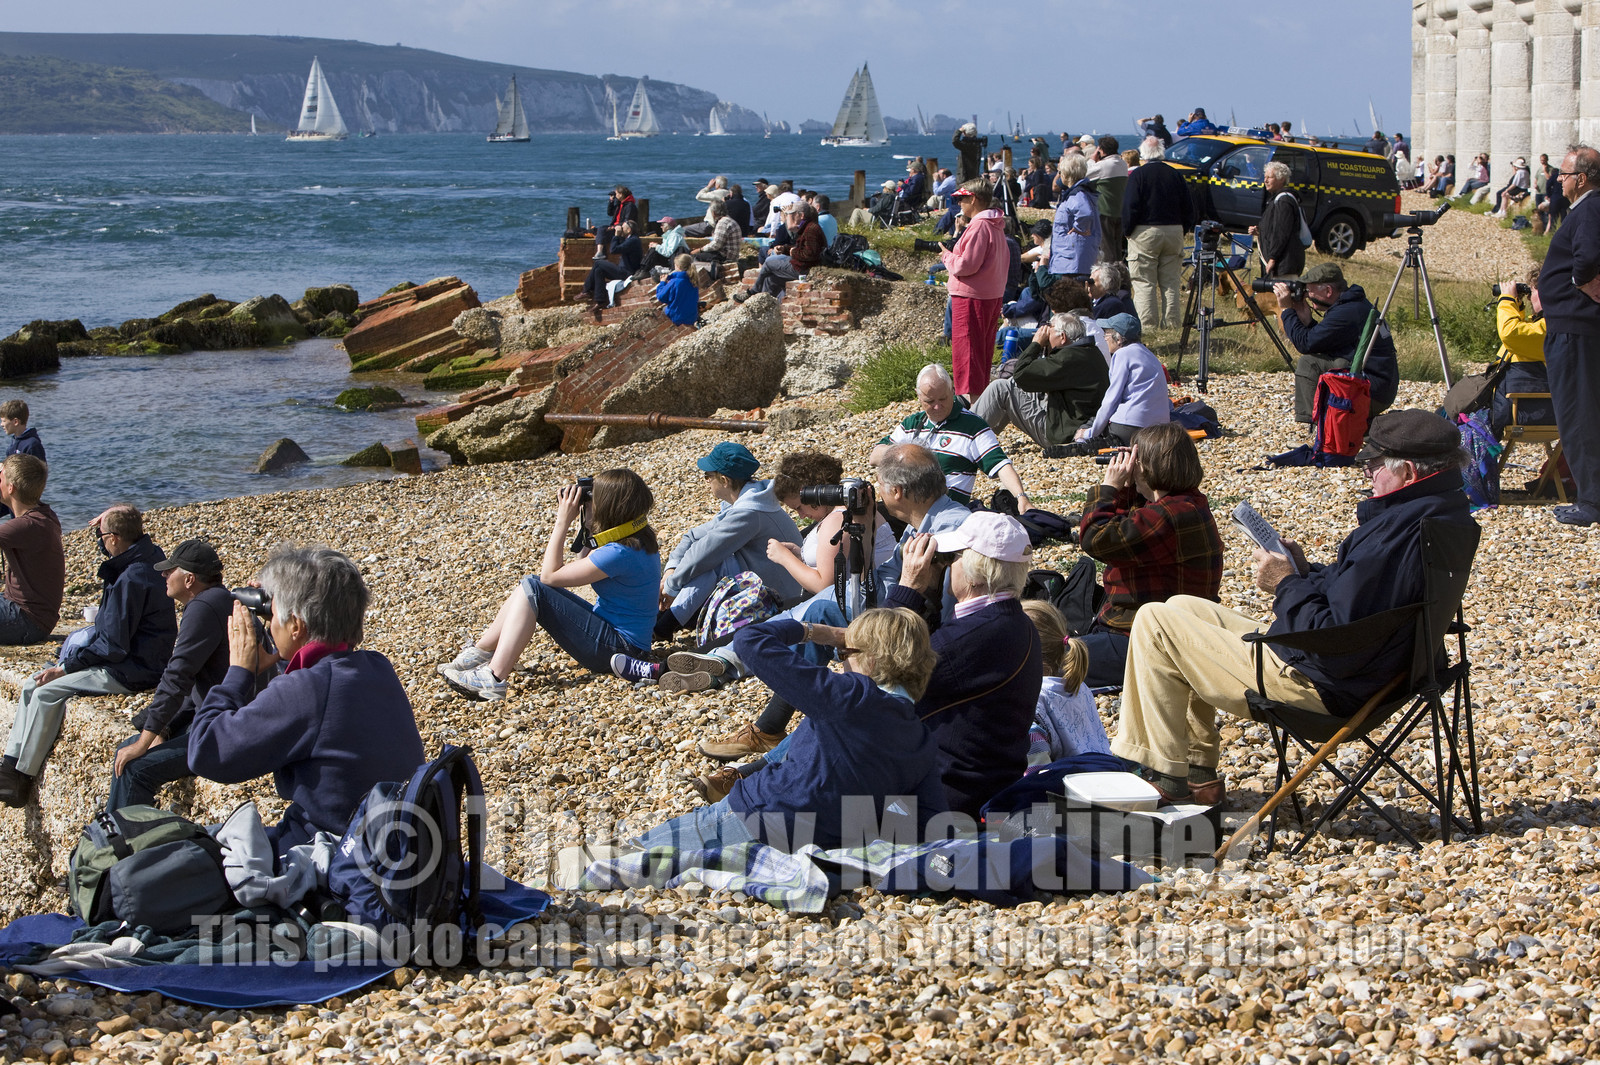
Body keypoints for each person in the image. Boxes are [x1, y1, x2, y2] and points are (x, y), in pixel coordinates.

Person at [1109, 409, 1477, 805]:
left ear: (1406, 471)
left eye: (1373, 465)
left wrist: (1284, 583)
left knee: (1154, 619)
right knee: (1183, 605)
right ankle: (1198, 772)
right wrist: (1304, 571)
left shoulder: (1391, 537)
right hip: (1374, 675)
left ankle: (1160, 774)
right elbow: (1360, 601)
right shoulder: (1438, 517)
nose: (1367, 473)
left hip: (1323, 685)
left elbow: (1332, 631)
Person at [690, 443, 969, 765]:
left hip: (925, 637)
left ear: (897, 491)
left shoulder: (947, 530)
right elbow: (878, 578)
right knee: (824, 609)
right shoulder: (923, 523)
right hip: (902, 609)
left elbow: (946, 614)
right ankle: (767, 723)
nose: (877, 492)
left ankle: (763, 758)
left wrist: (865, 634)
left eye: (880, 485)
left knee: (845, 687)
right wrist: (862, 522)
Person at [630, 608, 947, 851]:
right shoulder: (920, 740)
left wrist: (816, 631)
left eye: (845, 654)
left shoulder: (851, 695)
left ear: (873, 662)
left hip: (757, 814)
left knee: (634, 854)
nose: (839, 662)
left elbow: (749, 640)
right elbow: (932, 826)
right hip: (819, 845)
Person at [188, 546, 424, 856]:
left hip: (330, 859)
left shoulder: (306, 691)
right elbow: (316, 695)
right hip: (384, 850)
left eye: (273, 617)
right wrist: (281, 652)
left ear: (296, 626)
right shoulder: (375, 667)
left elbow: (206, 752)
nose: (269, 625)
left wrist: (238, 672)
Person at [632, 451, 896, 694]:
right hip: (846, 597)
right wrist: (799, 553)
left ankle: (693, 657)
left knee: (775, 629)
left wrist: (786, 559)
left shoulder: (837, 520)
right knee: (773, 629)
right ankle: (714, 666)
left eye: (799, 508)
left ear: (816, 495)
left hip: (844, 601)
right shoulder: (840, 515)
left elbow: (825, 585)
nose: (800, 515)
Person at [0, 505, 176, 808]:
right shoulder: (149, 554)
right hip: (129, 656)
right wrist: (115, 516)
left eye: (103, 535)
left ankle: (21, 776)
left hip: (132, 668)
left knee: (47, 691)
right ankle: (8, 765)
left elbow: (112, 646)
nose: (99, 541)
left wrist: (66, 666)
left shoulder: (131, 579)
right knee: (32, 683)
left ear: (116, 539)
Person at [439, 469, 662, 700]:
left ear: (609, 506)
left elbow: (551, 576)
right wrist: (588, 524)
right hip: (623, 644)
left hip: (620, 651)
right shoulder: (636, 539)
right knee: (531, 584)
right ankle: (480, 652)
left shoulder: (619, 553)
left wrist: (562, 521)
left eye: (593, 500)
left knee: (536, 588)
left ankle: (493, 678)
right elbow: (581, 563)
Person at [885, 511, 1042, 819]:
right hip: (990, 785)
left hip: (948, 799)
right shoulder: (1016, 623)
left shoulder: (973, 635)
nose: (947, 566)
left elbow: (877, 665)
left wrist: (908, 588)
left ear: (974, 573)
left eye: (953, 558)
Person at [1075, 423, 1224, 689]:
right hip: (1157, 632)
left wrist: (1109, 487)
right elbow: (1129, 526)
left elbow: (1096, 538)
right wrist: (1128, 488)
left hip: (1149, 641)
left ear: (1147, 467)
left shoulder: (1171, 516)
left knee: (1049, 661)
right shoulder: (1186, 503)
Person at [107, 539, 237, 812]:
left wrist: (146, 740)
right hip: (220, 716)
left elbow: (177, 677)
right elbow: (194, 681)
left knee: (134, 767)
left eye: (170, 570)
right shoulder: (221, 599)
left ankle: (122, 846)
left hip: (226, 729)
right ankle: (113, 830)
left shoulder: (203, 608)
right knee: (128, 747)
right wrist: (163, 728)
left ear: (189, 579)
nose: (164, 575)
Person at [656, 442, 804, 639]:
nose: (706, 481)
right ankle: (668, 621)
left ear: (724, 480)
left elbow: (703, 553)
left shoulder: (750, 512)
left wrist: (671, 587)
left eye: (707, 476)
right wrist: (671, 569)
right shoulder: (747, 500)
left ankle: (663, 626)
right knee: (708, 561)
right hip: (758, 582)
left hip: (781, 599)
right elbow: (692, 537)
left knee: (713, 562)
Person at [1537, 146, 1600, 526]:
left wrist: (1582, 281)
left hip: (1574, 330)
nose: (1559, 180)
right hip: (1574, 327)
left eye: (1564, 174)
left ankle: (1590, 502)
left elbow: (1587, 255)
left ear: (1583, 178)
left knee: (1577, 415)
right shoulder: (1588, 209)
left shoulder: (1590, 208)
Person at [872, 364, 1031, 510]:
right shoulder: (912, 423)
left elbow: (1000, 465)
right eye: (930, 401)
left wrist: (1021, 497)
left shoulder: (972, 426)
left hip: (943, 511)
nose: (937, 406)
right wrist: (910, 455)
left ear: (953, 391)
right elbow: (875, 456)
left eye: (943, 399)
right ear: (918, 397)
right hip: (905, 508)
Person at [1275, 262, 1399, 427]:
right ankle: (1340, 424)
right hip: (1379, 387)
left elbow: (1305, 344)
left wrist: (1286, 310)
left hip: (1372, 393)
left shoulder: (1346, 313)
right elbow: (1327, 342)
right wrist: (1307, 321)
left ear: (1328, 291)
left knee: (1309, 363)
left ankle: (1317, 428)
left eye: (1310, 290)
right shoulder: (1352, 305)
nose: (1306, 295)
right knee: (1331, 361)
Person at [971, 314, 1109, 447]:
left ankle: (965, 434)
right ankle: (982, 434)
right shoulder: (1090, 352)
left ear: (1062, 337)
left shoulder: (1068, 359)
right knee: (1012, 383)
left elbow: (1021, 373)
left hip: (1061, 434)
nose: (1045, 333)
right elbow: (1028, 378)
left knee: (1001, 388)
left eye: (1050, 328)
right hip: (1074, 422)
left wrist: (1036, 344)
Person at [1020, 600, 1111, 767]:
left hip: (1070, 788)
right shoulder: (1078, 686)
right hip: (1104, 775)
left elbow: (1036, 772)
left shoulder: (1030, 703)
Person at [941, 182, 1009, 401]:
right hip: (990, 295)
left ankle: (971, 404)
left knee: (967, 352)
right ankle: (979, 402)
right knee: (981, 351)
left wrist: (946, 256)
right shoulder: (995, 224)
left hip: (971, 296)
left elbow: (966, 265)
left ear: (973, 199)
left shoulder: (979, 225)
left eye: (961, 199)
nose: (959, 203)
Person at [1123, 137, 1197, 330]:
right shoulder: (1175, 174)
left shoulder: (1138, 175)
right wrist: (1184, 228)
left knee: (1144, 281)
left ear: (1143, 154)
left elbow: (1130, 206)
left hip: (1145, 230)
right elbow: (1189, 207)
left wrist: (1127, 231)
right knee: (1170, 281)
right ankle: (1171, 323)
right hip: (1173, 230)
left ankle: (1148, 325)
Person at [1071, 313, 1170, 446]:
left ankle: (1085, 442)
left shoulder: (1122, 354)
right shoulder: (1149, 354)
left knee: (1092, 423)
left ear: (1118, 339)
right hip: (1159, 429)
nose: (1105, 338)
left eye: (1106, 333)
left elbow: (1111, 399)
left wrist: (1090, 433)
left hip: (1130, 426)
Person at [0, 455, 62, 646]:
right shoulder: (44, 514)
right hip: (30, 615)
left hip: (26, 622)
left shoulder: (26, 526)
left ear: (11, 488)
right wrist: (7, 472)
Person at [1488, 265, 1551, 438]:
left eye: (1533, 290)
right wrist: (1518, 305)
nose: (1530, 296)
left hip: (1524, 410)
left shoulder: (1552, 328)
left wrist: (1507, 299)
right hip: (1525, 406)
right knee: (1451, 411)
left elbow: (1511, 334)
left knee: (1461, 423)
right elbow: (1523, 336)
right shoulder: (1547, 324)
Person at [736, 203, 824, 301]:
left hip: (803, 269)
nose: (790, 217)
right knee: (770, 280)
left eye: (793, 214)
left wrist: (792, 252)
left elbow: (809, 254)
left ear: (801, 215)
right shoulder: (807, 228)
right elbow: (802, 249)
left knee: (769, 261)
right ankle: (765, 304)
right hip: (801, 266)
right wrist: (785, 249)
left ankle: (754, 291)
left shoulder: (811, 229)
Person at [1249, 161, 1307, 279]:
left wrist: (1273, 259)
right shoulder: (1275, 199)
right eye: (1265, 177)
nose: (1265, 180)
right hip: (1279, 264)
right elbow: (1274, 229)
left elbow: (1282, 232)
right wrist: (1260, 232)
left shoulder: (1284, 201)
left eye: (1269, 177)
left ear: (1281, 179)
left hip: (1283, 265)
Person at [1049, 154, 1100, 281]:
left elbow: (1085, 213)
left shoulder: (1077, 194)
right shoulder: (1082, 192)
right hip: (1074, 253)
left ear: (1066, 174)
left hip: (1071, 254)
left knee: (1070, 290)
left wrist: (1078, 228)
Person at [580, 219, 642, 316]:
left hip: (626, 272)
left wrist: (616, 235)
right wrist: (618, 235)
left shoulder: (633, 240)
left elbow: (613, 250)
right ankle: (600, 300)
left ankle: (586, 290)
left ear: (629, 230)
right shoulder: (631, 239)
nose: (621, 229)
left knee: (598, 263)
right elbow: (620, 246)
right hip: (623, 270)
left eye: (623, 228)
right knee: (599, 270)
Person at [1088, 136, 1128, 263]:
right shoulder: (1123, 164)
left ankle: (1109, 277)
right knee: (1116, 247)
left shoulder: (1102, 166)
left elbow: (1083, 175)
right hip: (1119, 211)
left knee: (1106, 248)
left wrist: (1091, 160)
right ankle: (1119, 276)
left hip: (1104, 211)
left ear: (1102, 151)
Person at [691, 201, 742, 269]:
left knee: (696, 257)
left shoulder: (722, 223)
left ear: (713, 213)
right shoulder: (729, 220)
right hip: (732, 254)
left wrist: (700, 250)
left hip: (726, 256)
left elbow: (716, 244)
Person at [654, 253, 700, 326]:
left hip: (677, 318)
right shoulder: (693, 279)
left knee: (660, 313)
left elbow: (661, 297)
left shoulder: (675, 282)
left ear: (678, 266)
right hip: (692, 317)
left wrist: (662, 283)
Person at [595, 185, 637, 257]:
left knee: (602, 231)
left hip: (622, 229)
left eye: (616, 193)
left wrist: (614, 227)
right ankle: (599, 252)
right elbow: (610, 213)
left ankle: (600, 252)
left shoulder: (630, 206)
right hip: (615, 226)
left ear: (621, 194)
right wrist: (611, 201)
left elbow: (627, 221)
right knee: (600, 229)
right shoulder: (620, 204)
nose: (616, 195)